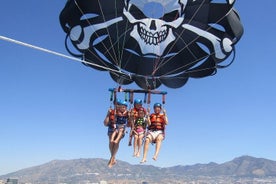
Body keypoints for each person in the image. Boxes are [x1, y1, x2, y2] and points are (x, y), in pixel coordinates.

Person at [103, 100, 130, 168]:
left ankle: (112, 158)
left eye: (118, 105)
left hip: (120, 129)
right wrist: (107, 114)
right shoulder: (111, 112)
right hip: (111, 129)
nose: (117, 106)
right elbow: (105, 123)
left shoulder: (125, 113)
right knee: (111, 142)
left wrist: (130, 116)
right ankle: (113, 157)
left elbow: (128, 123)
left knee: (116, 142)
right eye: (116, 105)